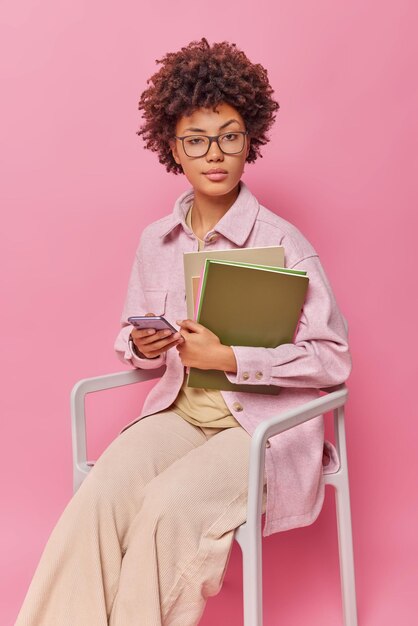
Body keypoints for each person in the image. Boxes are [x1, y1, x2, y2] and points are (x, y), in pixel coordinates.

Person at [16, 38, 351, 625]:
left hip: (262, 432)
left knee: (167, 511)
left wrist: (230, 356)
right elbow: (137, 339)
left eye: (229, 136)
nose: (214, 154)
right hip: (179, 416)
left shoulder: (284, 241)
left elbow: (334, 359)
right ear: (172, 147)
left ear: (251, 140)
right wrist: (139, 344)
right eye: (195, 140)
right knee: (98, 500)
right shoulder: (157, 242)